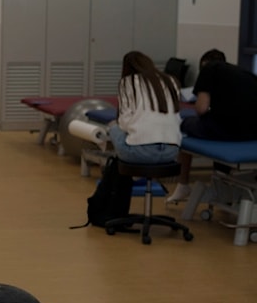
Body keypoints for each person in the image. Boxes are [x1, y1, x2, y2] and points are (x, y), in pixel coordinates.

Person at [168, 49, 257, 203]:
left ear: (204, 64)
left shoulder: (208, 69)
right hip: (253, 133)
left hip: (227, 131)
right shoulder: (246, 75)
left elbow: (201, 108)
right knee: (219, 125)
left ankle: (183, 184)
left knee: (183, 124)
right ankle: (220, 177)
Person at [107, 51, 182, 164]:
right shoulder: (171, 81)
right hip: (171, 152)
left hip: (140, 153)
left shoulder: (128, 82)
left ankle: (121, 177)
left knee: (113, 127)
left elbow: (124, 123)